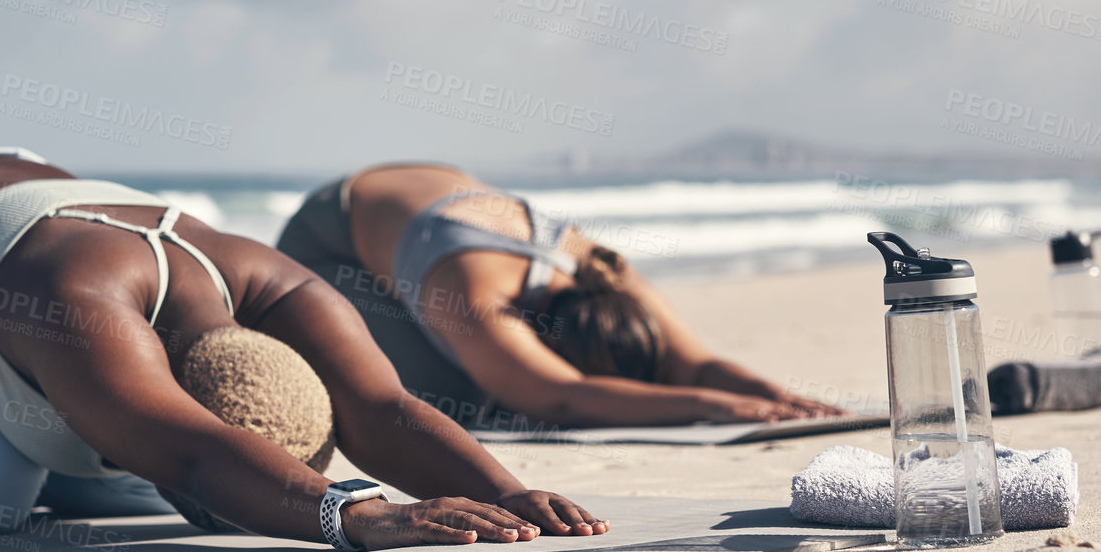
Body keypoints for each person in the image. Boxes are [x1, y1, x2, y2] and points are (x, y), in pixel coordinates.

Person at [0, 148, 603, 550]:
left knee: (138, 478)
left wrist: (510, 491)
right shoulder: (82, 308)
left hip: (0, 223)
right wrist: (361, 513)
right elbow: (196, 463)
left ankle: (47, 409)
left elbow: (381, 409)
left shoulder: (283, 286)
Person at [276, 163, 845, 430]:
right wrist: (698, 404)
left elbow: (691, 361)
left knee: (495, 379)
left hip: (422, 190)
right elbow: (561, 397)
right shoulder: (478, 295)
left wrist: (773, 394)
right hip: (328, 238)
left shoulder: (604, 273)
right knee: (457, 400)